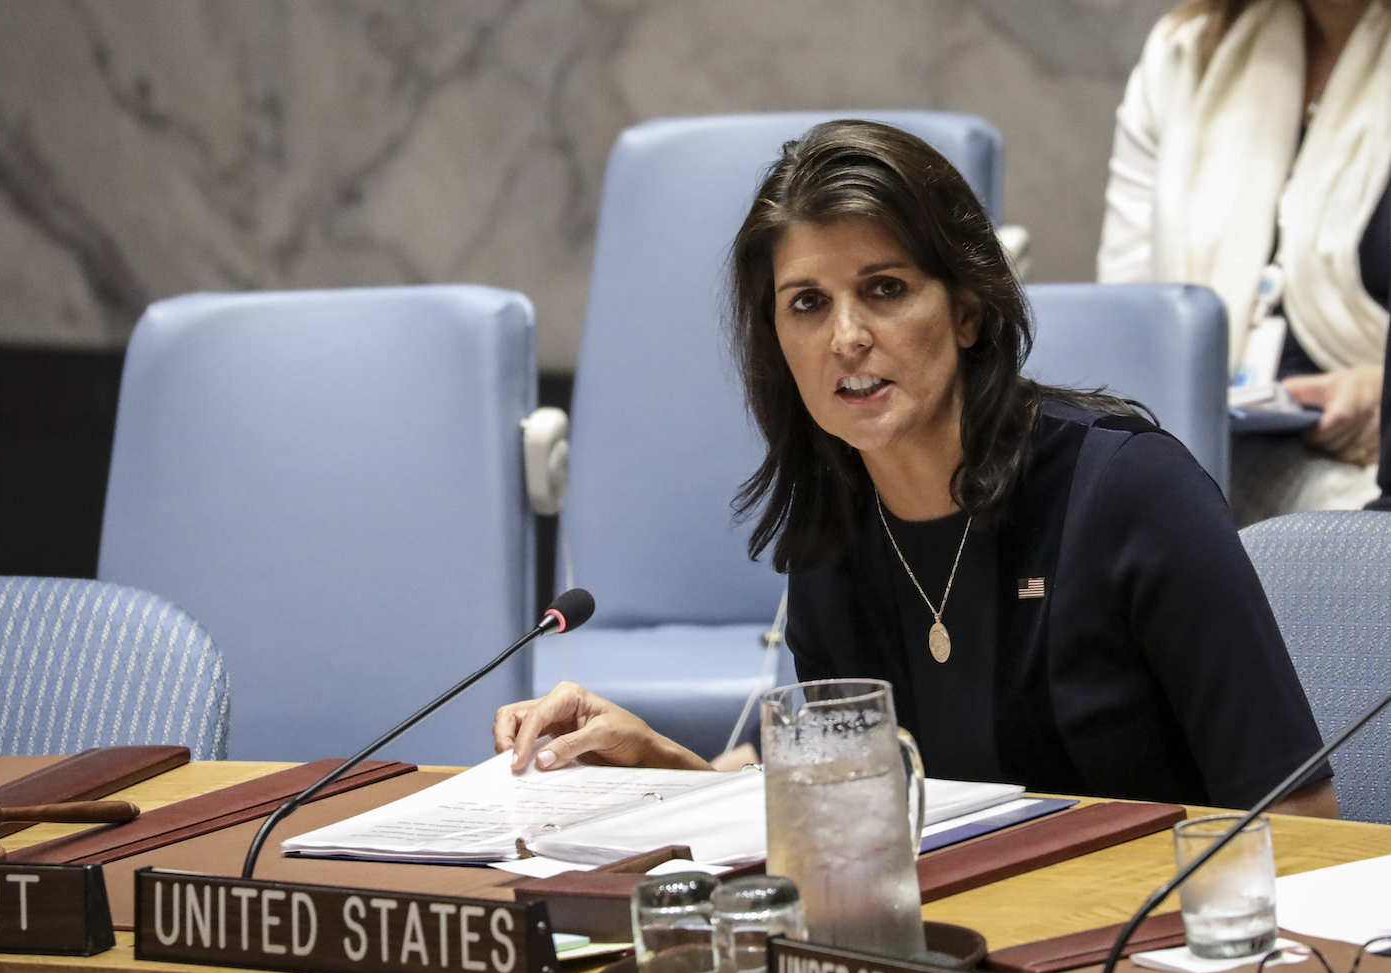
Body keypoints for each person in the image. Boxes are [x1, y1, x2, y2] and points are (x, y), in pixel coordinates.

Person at [495, 120, 1339, 817]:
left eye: (886, 289)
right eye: (808, 303)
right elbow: (843, 815)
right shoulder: (831, 541)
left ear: (968, 311)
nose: (847, 337)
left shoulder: (1133, 497)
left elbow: (1303, 825)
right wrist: (657, 763)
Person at [1098, 0, 1391, 522]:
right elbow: (1131, 323)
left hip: (1368, 478)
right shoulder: (1188, 49)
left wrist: (1380, 386)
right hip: (1198, 464)